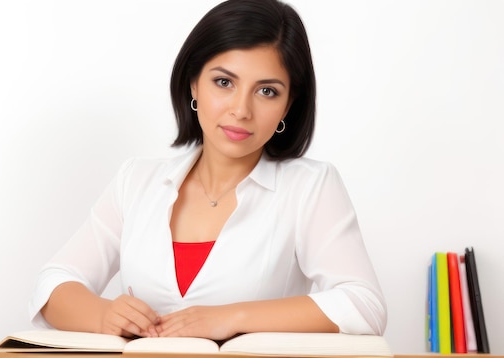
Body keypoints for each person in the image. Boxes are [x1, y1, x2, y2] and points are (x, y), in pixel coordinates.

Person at [29, 0, 387, 341]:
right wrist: (102, 315)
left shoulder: (311, 187)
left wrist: (230, 318)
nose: (241, 110)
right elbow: (54, 283)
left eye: (266, 91)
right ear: (193, 83)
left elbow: (364, 305)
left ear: (288, 105)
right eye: (224, 82)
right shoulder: (136, 180)